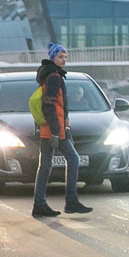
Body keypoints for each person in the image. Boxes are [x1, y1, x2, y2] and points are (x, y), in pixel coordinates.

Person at [33, 43, 93, 219]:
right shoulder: (53, 77)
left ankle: (39, 204)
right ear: (53, 58)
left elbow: (58, 107)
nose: (64, 60)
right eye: (60, 57)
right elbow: (49, 105)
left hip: (51, 128)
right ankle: (71, 201)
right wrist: (55, 131)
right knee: (73, 159)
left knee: (44, 166)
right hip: (54, 129)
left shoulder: (51, 75)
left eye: (65, 57)